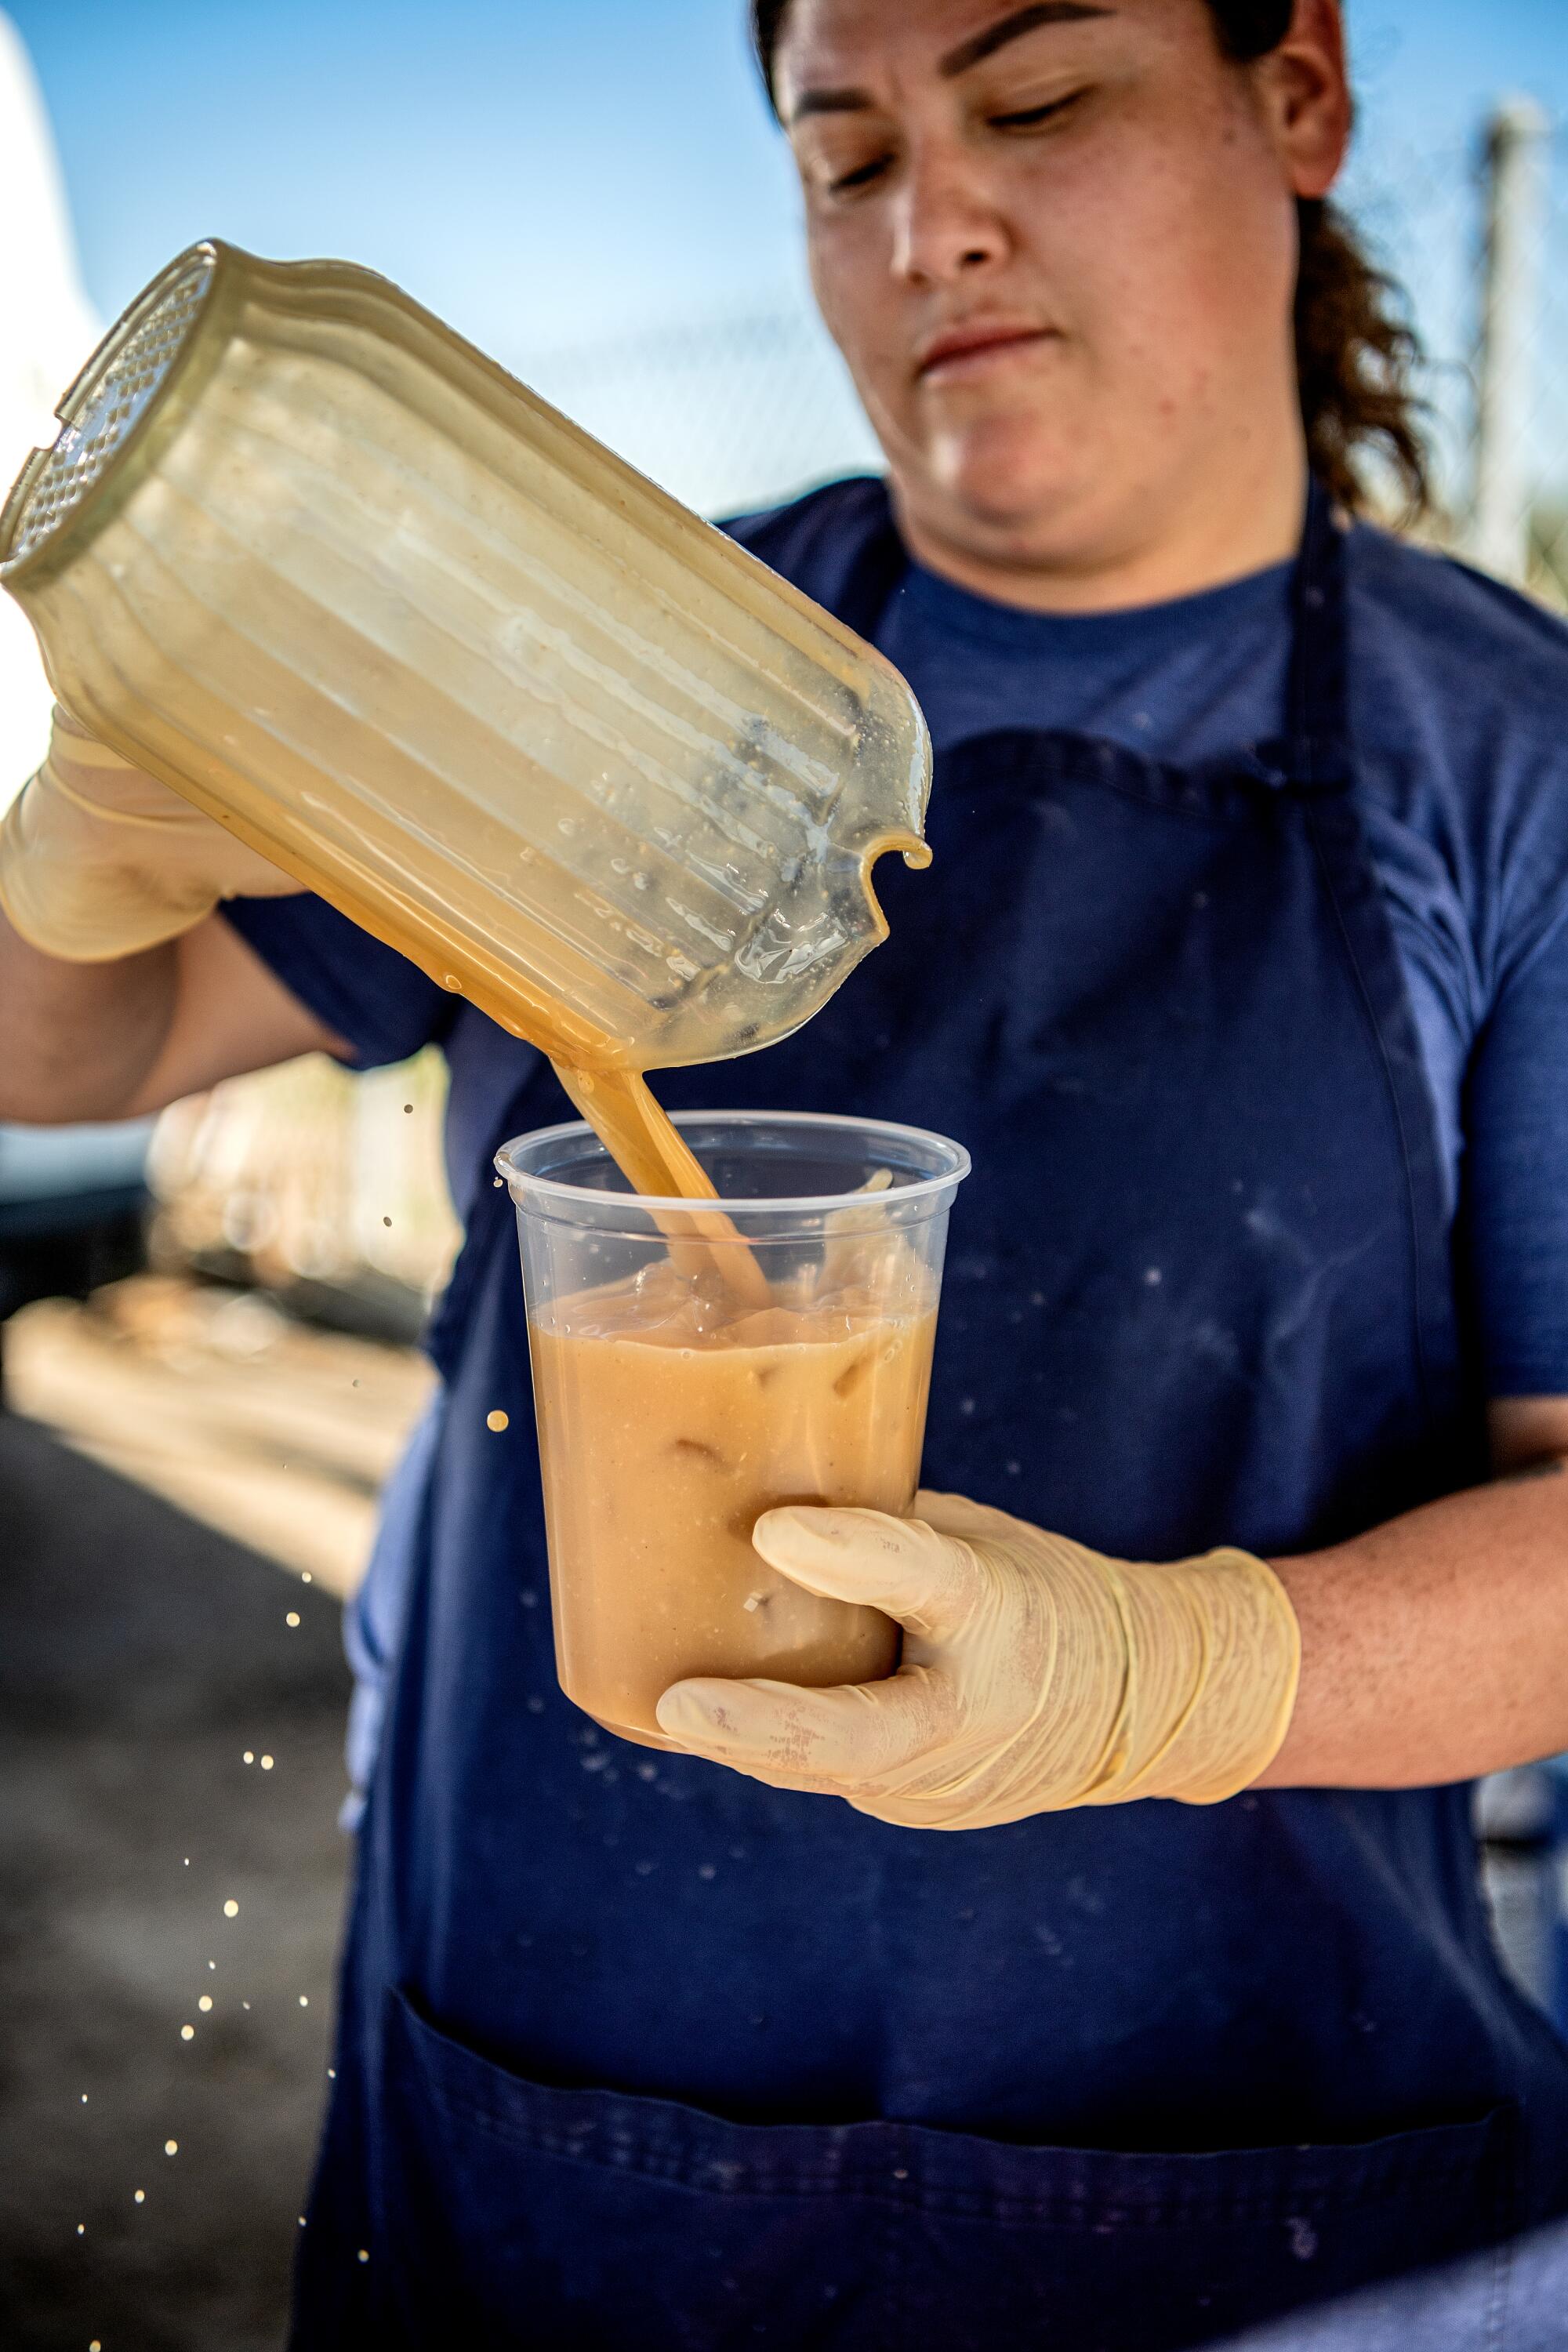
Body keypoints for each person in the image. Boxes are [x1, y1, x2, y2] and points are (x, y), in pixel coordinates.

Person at [5, 0, 1568, 2342]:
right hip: (548, 2150)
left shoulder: (1511, 767)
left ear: (1301, 97)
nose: (933, 220)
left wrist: (1169, 1675)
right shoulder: (606, 669)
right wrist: (84, 848)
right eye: (843, 158)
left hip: (1239, 2218)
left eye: (1036, 103)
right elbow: (86, 1052)